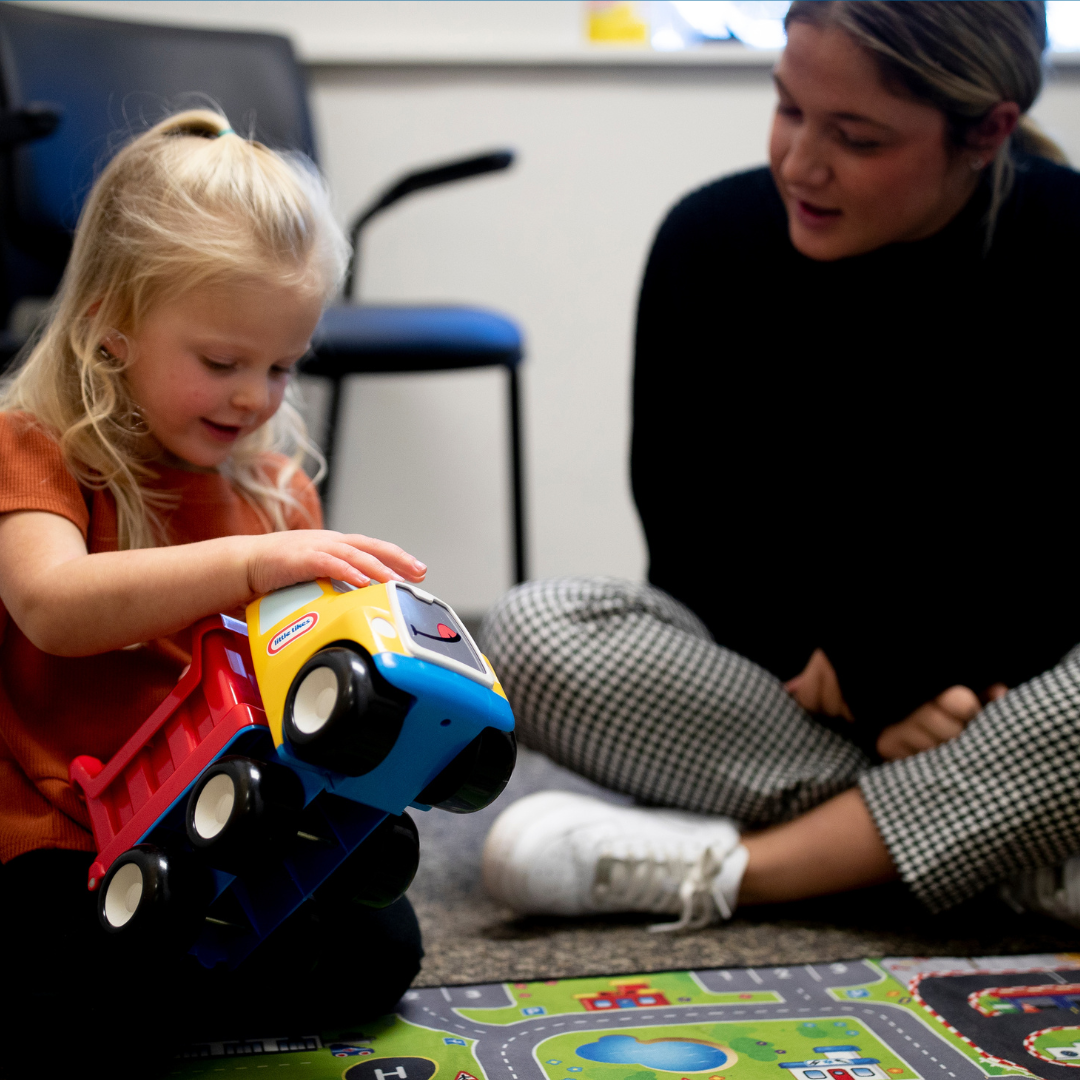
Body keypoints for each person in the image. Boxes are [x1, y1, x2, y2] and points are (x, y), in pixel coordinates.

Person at [479, 1, 1080, 933]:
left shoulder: (1064, 246)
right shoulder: (707, 246)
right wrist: (880, 689)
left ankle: (747, 868)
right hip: (807, 696)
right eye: (789, 109)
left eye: (857, 137)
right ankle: (1014, 852)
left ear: (988, 130)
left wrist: (914, 665)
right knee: (534, 635)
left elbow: (1052, 557)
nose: (801, 163)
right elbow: (702, 560)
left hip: (1004, 699)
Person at [0, 110, 429, 1077]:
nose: (254, 399)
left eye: (282, 366)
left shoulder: (275, 490)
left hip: (222, 826)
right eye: (221, 363)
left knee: (384, 945)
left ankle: (171, 986)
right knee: (63, 972)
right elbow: (54, 606)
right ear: (111, 326)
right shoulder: (35, 454)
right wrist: (245, 569)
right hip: (62, 841)